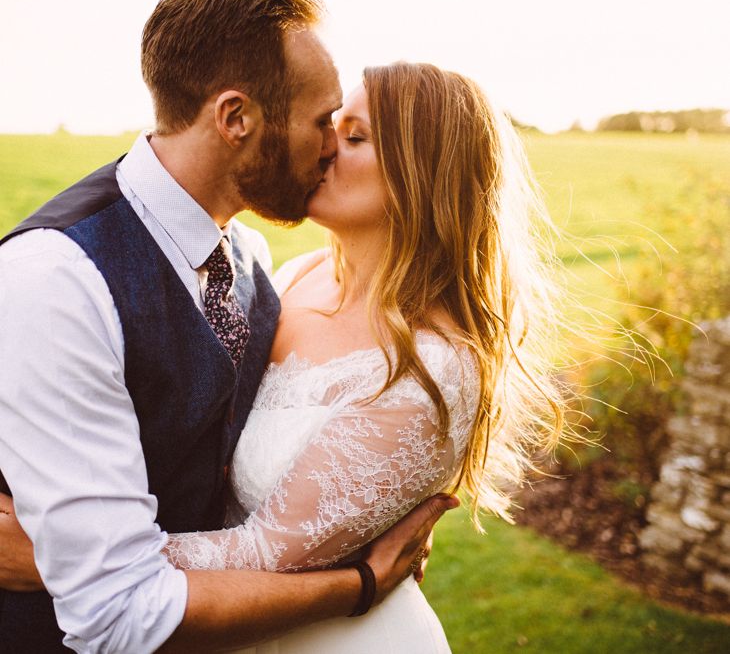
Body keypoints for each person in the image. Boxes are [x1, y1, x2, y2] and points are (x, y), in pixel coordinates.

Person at [1, 60, 567, 651]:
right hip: (229, 619)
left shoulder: (434, 367)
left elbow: (265, 550)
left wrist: (66, 557)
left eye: (353, 137)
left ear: (421, 174)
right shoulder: (294, 276)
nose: (324, 148)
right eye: (329, 126)